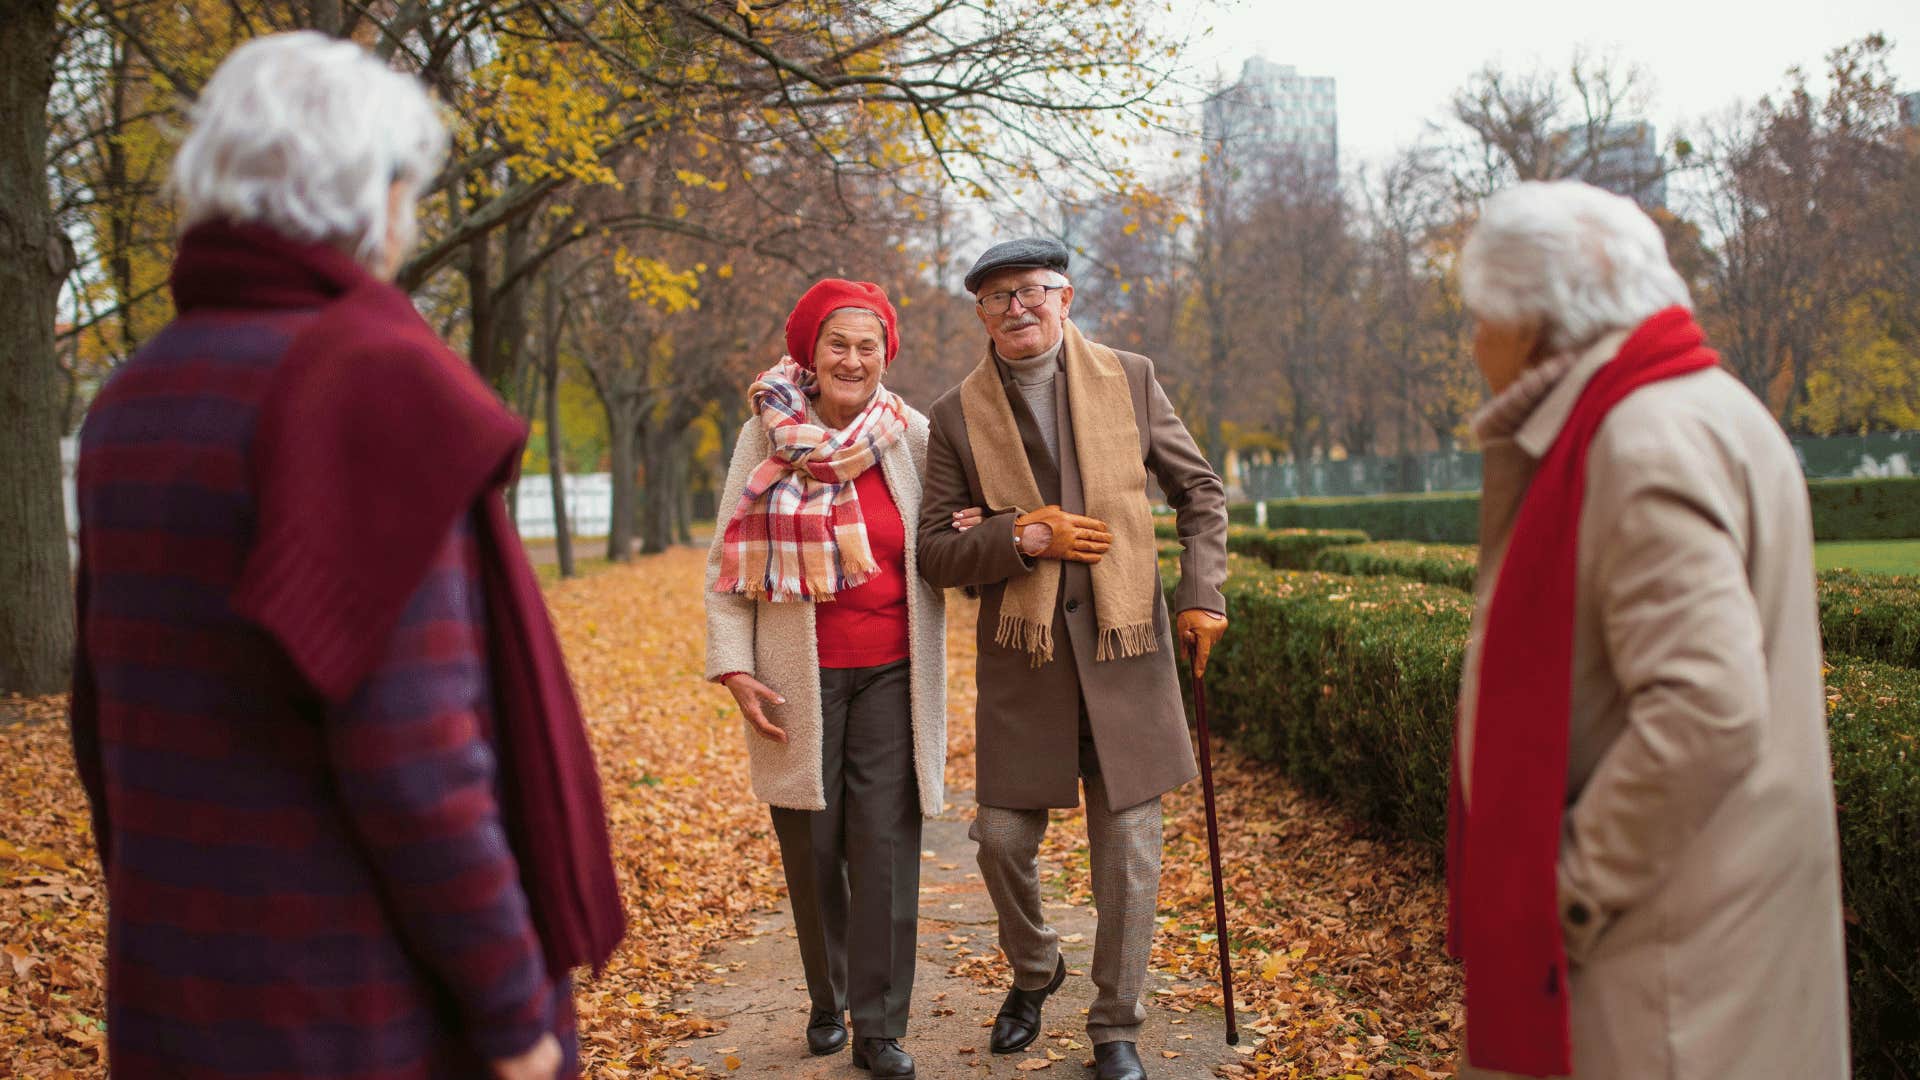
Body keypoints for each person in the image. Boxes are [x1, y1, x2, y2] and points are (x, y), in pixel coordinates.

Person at [67, 32, 624, 1080]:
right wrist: (512, 1016)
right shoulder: (368, 387)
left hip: (180, 993)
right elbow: (417, 759)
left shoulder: (132, 399)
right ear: (371, 196)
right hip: (362, 1011)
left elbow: (102, 723)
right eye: (408, 188)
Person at [1448, 180, 1849, 1079]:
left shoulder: (1642, 438)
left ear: (1536, 322)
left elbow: (1706, 710)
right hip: (1707, 923)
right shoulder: (1710, 406)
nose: (1476, 345)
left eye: (1480, 319)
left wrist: (1567, 895)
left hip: (1665, 963)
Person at [916, 238, 1229, 1080]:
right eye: (997, 299)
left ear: (1066, 296)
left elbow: (1199, 492)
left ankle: (1115, 1025)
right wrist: (1019, 535)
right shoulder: (953, 416)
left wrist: (1205, 591)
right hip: (1026, 669)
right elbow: (934, 556)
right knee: (999, 841)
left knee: (1128, 853)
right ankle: (1034, 967)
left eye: (1032, 292)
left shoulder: (1129, 377)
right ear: (981, 315)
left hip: (1128, 655)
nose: (1017, 309)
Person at [704, 279, 947, 1080]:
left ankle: (879, 1027)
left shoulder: (911, 433)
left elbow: (943, 536)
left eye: (867, 345)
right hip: (795, 677)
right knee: (812, 845)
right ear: (810, 353)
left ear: (886, 354)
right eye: (837, 344)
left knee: (881, 844)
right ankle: (826, 993)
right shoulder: (764, 435)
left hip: (891, 673)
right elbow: (726, 562)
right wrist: (733, 663)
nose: (853, 359)